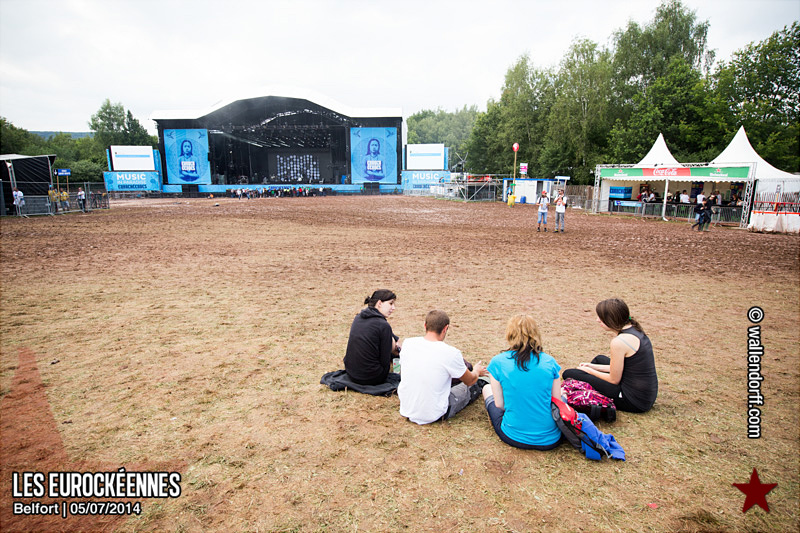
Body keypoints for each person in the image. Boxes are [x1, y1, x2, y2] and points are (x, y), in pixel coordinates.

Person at [562, 298, 657, 413]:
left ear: (610, 319)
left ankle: (589, 387)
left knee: (570, 373)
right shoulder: (634, 329)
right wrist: (592, 366)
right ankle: (590, 382)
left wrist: (589, 371)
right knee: (599, 359)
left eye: (600, 318)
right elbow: (628, 368)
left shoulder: (620, 342)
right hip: (645, 394)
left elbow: (613, 380)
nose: (597, 320)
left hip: (633, 400)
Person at [482, 314, 563, 450]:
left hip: (514, 435)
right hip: (550, 438)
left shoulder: (498, 362)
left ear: (510, 334)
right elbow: (557, 402)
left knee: (486, 389)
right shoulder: (550, 362)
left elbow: (500, 405)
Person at [398, 310, 488, 424]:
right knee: (473, 385)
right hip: (436, 413)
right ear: (445, 328)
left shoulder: (408, 343)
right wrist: (477, 371)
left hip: (407, 408)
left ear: (425, 325)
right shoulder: (450, 353)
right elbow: (470, 381)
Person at [343, 289, 401, 385]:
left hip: (351, 372)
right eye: (391, 303)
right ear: (379, 303)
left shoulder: (358, 317)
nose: (393, 308)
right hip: (372, 377)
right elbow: (384, 361)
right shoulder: (383, 325)